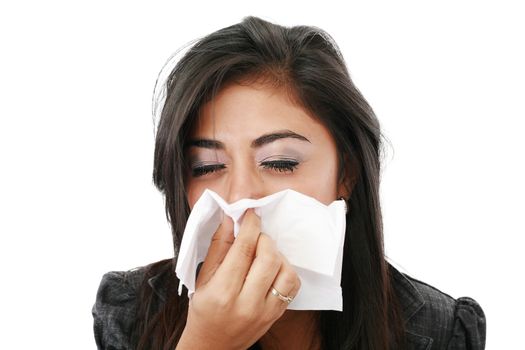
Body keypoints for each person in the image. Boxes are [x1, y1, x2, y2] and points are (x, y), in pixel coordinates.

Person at [92, 16, 486, 350]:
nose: (242, 195)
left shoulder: (437, 329)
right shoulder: (129, 313)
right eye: (208, 166)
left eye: (280, 162)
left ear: (346, 174)